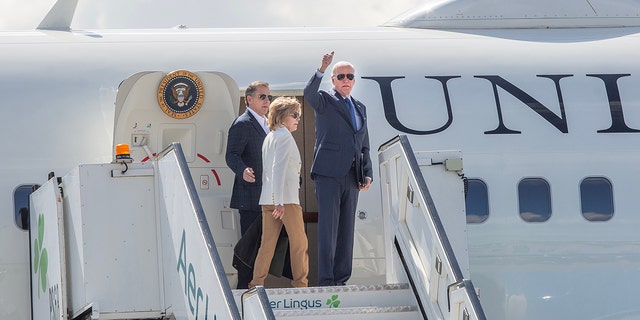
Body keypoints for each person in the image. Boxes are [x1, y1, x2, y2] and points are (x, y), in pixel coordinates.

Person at [303, 51, 373, 286]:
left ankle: (341, 279)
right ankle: (326, 279)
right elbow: (308, 94)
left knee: (346, 230)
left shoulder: (360, 107)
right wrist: (321, 69)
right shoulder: (325, 100)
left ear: (354, 80)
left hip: (352, 176)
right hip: (328, 174)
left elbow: (364, 144)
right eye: (341, 76)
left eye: (350, 76)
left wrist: (367, 173)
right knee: (328, 229)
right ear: (333, 80)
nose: (346, 80)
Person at [249, 97, 309, 288]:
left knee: (267, 245)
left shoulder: (270, 136)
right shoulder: (284, 137)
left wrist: (274, 200)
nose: (298, 119)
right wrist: (279, 202)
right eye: (295, 115)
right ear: (283, 116)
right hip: (285, 200)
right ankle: (301, 285)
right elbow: (279, 168)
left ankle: (256, 284)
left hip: (268, 199)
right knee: (300, 243)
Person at [226, 81, 272, 289]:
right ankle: (244, 292)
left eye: (268, 97)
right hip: (250, 198)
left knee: (263, 249)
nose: (267, 101)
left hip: (267, 197)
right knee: (249, 250)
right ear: (249, 100)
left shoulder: (267, 123)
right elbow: (231, 155)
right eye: (262, 97)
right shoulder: (243, 123)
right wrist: (242, 170)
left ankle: (255, 288)